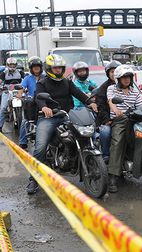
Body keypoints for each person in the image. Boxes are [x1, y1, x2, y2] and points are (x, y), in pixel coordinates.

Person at [26, 54, 98, 194]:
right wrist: (44, 107)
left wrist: (90, 102)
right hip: (48, 117)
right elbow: (38, 97)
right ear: (49, 68)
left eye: (60, 68)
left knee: (84, 134)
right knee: (40, 147)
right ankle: (33, 179)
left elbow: (78, 94)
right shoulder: (42, 83)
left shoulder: (67, 82)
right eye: (55, 68)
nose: (58, 70)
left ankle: (77, 160)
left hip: (66, 116)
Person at [106, 65, 142, 193]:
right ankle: (113, 177)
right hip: (120, 120)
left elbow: (141, 105)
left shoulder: (134, 91)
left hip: (134, 119)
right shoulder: (112, 89)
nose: (127, 80)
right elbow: (111, 101)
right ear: (118, 79)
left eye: (128, 77)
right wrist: (116, 110)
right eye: (124, 77)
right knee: (117, 142)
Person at [17, 56, 45, 149]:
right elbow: (21, 88)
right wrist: (20, 94)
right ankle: (23, 141)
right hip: (31, 103)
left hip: (44, 101)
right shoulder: (27, 78)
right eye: (34, 67)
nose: (36, 68)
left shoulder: (46, 77)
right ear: (31, 68)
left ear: (41, 68)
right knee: (26, 120)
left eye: (38, 66)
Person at [96, 60, 121, 161]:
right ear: (108, 73)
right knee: (105, 132)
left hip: (124, 117)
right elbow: (101, 106)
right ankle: (106, 155)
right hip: (108, 119)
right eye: (112, 72)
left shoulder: (128, 84)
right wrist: (107, 120)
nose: (114, 74)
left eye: (117, 71)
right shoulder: (104, 88)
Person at [0, 57, 25, 132]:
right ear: (7, 65)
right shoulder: (4, 73)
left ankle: (29, 123)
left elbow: (26, 79)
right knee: (3, 108)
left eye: (13, 65)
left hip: (19, 91)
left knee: (28, 104)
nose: (12, 66)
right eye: (10, 65)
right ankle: (0, 126)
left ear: (16, 65)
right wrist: (1, 87)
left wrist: (25, 87)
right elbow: (0, 81)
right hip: (7, 91)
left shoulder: (20, 72)